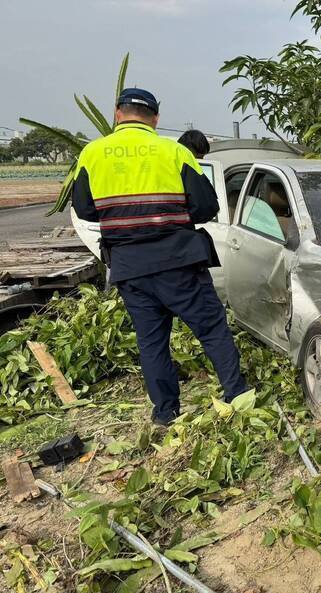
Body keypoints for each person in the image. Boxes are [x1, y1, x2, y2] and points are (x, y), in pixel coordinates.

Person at [71, 88, 248, 426]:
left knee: (151, 342)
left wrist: (123, 220)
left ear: (117, 113)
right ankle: (237, 396)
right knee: (211, 329)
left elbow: (85, 209)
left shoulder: (91, 154)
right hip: (179, 260)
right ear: (155, 118)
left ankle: (166, 413)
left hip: (129, 268)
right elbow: (206, 206)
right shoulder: (173, 151)